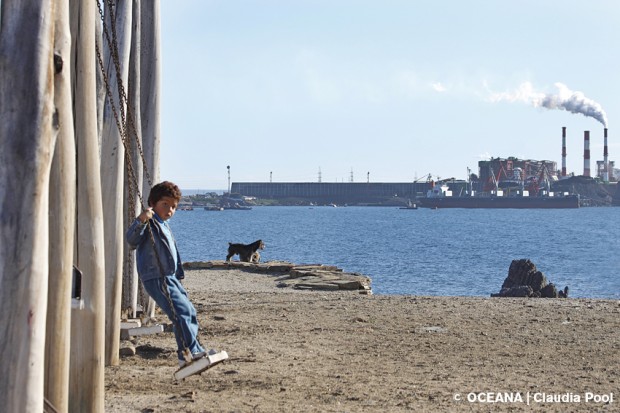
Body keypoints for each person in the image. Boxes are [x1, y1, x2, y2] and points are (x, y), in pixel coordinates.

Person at [126, 181, 208, 367]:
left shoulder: (164, 224)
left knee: (189, 311)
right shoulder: (150, 222)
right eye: (165, 204)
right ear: (153, 203)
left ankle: (192, 349)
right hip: (156, 277)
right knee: (179, 313)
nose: (170, 209)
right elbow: (131, 240)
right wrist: (141, 219)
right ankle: (187, 353)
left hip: (170, 277)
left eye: (174, 207)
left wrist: (178, 275)